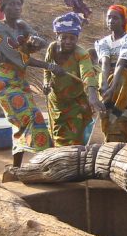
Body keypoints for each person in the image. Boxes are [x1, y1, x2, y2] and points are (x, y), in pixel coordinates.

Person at [0, 0, 65, 175]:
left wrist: (36, 40)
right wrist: (48, 66)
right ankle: (49, 162)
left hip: (19, 80)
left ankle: (15, 169)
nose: (16, 7)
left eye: (18, 4)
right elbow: (18, 56)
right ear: (3, 8)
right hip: (4, 81)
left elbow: (38, 40)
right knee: (34, 117)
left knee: (20, 123)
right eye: (11, 4)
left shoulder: (21, 25)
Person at [43, 12, 101, 146]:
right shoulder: (52, 48)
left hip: (75, 102)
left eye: (72, 38)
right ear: (57, 36)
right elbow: (47, 68)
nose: (68, 41)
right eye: (63, 38)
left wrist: (92, 96)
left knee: (74, 138)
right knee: (57, 136)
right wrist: (46, 83)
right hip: (56, 102)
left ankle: (72, 164)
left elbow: (87, 74)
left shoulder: (81, 54)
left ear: (77, 38)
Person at [94, 5, 127, 142]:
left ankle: (120, 150)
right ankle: (111, 150)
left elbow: (121, 63)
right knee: (107, 119)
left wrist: (112, 87)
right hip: (108, 82)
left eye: (115, 18)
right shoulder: (102, 42)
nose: (111, 20)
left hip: (126, 85)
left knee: (121, 122)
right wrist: (104, 85)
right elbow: (105, 62)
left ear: (123, 21)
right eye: (109, 17)